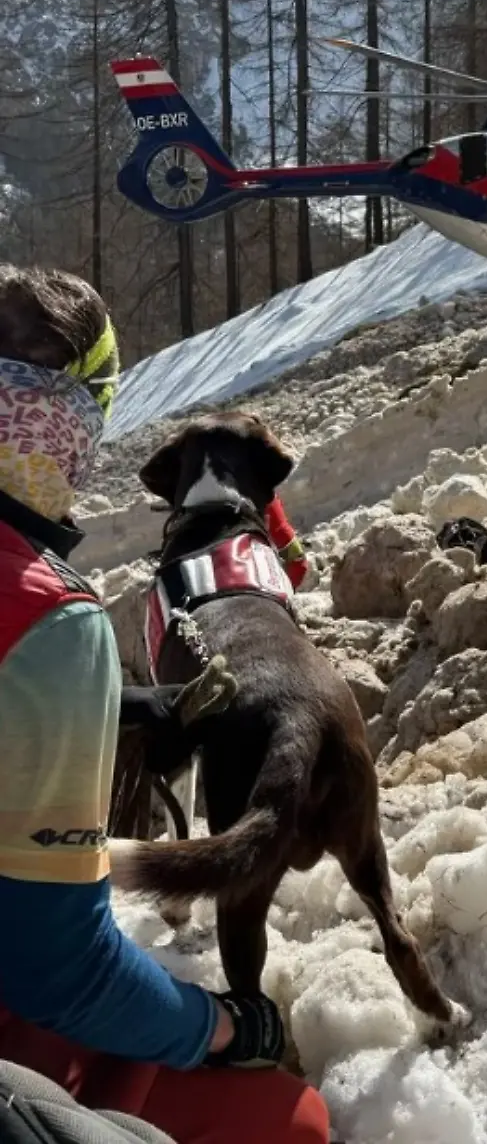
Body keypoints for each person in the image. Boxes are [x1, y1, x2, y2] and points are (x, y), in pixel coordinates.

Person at [0, 264, 329, 1144]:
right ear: (74, 421)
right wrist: (222, 1025)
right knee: (290, 1123)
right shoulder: (50, 621)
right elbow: (59, 972)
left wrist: (114, 704)